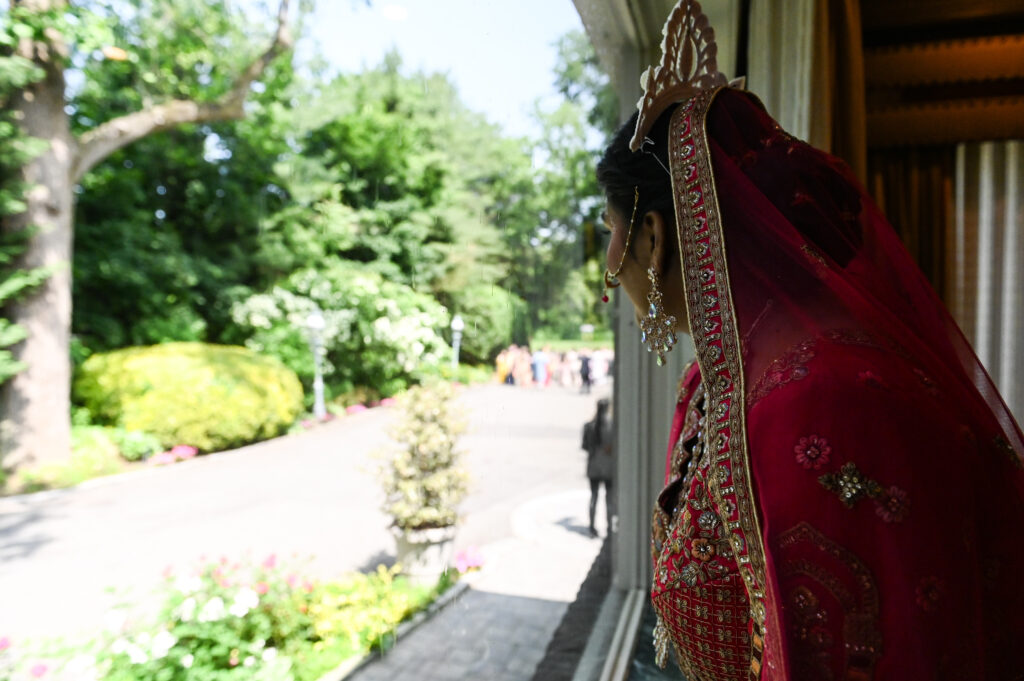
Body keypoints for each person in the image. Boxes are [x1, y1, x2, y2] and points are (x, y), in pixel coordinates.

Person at [597, 2, 1024, 679]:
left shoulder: (818, 400)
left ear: (650, 237)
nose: (607, 258)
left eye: (609, 230)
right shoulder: (717, 383)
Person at [582, 398, 615, 538]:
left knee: (594, 497)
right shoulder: (613, 426)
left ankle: (592, 526)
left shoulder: (589, 426)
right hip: (607, 468)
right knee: (608, 498)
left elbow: (584, 446)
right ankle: (608, 527)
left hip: (593, 467)